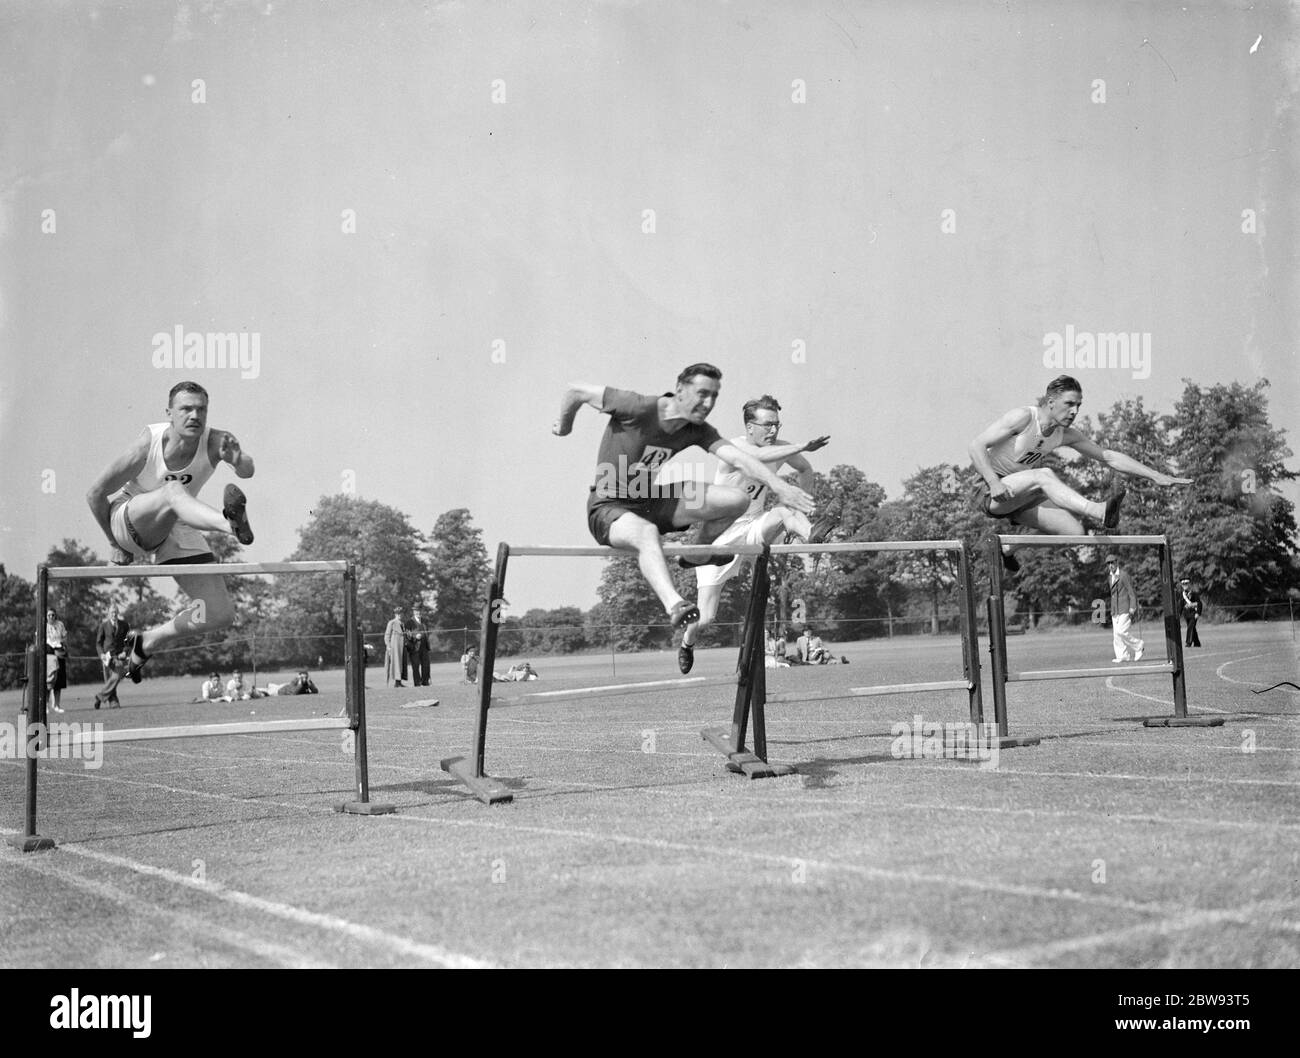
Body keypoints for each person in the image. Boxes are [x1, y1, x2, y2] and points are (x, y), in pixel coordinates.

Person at [554, 365, 816, 636]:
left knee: (736, 499)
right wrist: (564, 426)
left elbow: (739, 458)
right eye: (702, 394)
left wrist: (779, 486)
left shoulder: (696, 429)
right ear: (679, 390)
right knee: (647, 533)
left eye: (714, 396)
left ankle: (700, 551)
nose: (708, 403)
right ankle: (675, 604)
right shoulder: (637, 407)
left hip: (652, 501)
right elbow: (576, 391)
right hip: (609, 508)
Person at [85, 381, 255, 702]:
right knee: (173, 490)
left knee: (218, 612)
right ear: (169, 413)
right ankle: (228, 523)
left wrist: (238, 459)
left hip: (176, 523)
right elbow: (95, 493)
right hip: (130, 519)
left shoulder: (217, 440)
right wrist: (114, 544)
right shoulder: (146, 445)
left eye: (201, 409)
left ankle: (147, 641)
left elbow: (247, 471)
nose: (195, 416)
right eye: (186, 409)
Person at [676, 395, 832, 673]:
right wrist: (800, 446)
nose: (774, 431)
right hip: (720, 536)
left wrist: (803, 502)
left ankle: (811, 534)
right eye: (768, 425)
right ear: (750, 427)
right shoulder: (733, 447)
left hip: (753, 527)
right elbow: (755, 458)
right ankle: (687, 643)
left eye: (777, 425)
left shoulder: (780, 448)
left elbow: (805, 468)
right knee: (707, 617)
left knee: (785, 512)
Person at [969, 375, 1191, 570]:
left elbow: (1109, 457)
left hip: (1020, 495)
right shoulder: (1024, 417)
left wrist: (1155, 475)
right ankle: (1098, 510)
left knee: (1074, 531)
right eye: (1069, 404)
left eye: (1078, 406)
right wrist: (993, 483)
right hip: (989, 489)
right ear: (1051, 402)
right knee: (1043, 474)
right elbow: (976, 445)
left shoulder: (1065, 434)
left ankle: (1008, 548)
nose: (1074, 411)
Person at [1106, 553, 1144, 662]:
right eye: (1108, 563)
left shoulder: (1123, 575)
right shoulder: (1110, 577)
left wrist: (1133, 606)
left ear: (1117, 562)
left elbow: (1131, 592)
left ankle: (1138, 645)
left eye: (1112, 562)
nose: (1110, 565)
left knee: (1121, 631)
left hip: (1125, 607)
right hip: (1115, 609)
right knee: (1116, 635)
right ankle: (1122, 656)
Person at [94, 604, 130, 709]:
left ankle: (100, 696)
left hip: (120, 656)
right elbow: (98, 643)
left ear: (118, 613)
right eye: (111, 612)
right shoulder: (103, 626)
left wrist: (125, 651)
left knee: (116, 675)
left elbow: (128, 641)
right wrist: (101, 654)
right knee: (114, 677)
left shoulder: (124, 625)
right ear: (108, 614)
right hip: (108, 656)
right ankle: (113, 702)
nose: (114, 614)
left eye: (115, 612)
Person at [45, 607, 68, 714]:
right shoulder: (43, 626)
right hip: (49, 655)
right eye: (49, 615)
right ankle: (45, 706)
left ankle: (57, 705)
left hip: (59, 654)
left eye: (53, 615)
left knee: (59, 682)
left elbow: (64, 637)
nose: (51, 617)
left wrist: (61, 644)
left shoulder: (60, 624)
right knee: (49, 682)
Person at [407, 606, 432, 686]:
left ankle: (425, 682)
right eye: (417, 611)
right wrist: (415, 636)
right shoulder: (409, 622)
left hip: (424, 647)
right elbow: (407, 634)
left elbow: (428, 632)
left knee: (426, 665)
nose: (419, 613)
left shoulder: (424, 621)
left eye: (420, 611)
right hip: (414, 648)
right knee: (416, 666)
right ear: (414, 612)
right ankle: (417, 683)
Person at [384, 607, 407, 687]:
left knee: (401, 665)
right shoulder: (392, 623)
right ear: (395, 614)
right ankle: (396, 682)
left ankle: (399, 682)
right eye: (398, 614)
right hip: (395, 648)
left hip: (402, 648)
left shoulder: (402, 624)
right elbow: (387, 635)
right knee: (395, 664)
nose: (400, 615)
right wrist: (388, 646)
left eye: (401, 613)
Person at [1179, 577, 1203, 647]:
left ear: (1189, 584)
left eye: (1186, 583)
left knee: (1190, 627)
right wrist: (1179, 614)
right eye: (1183, 584)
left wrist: (1198, 613)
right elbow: (1180, 605)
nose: (1185, 585)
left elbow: (1199, 603)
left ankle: (1188, 642)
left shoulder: (1194, 593)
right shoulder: (1182, 595)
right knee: (1193, 628)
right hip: (1186, 614)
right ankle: (1197, 643)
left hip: (1193, 614)